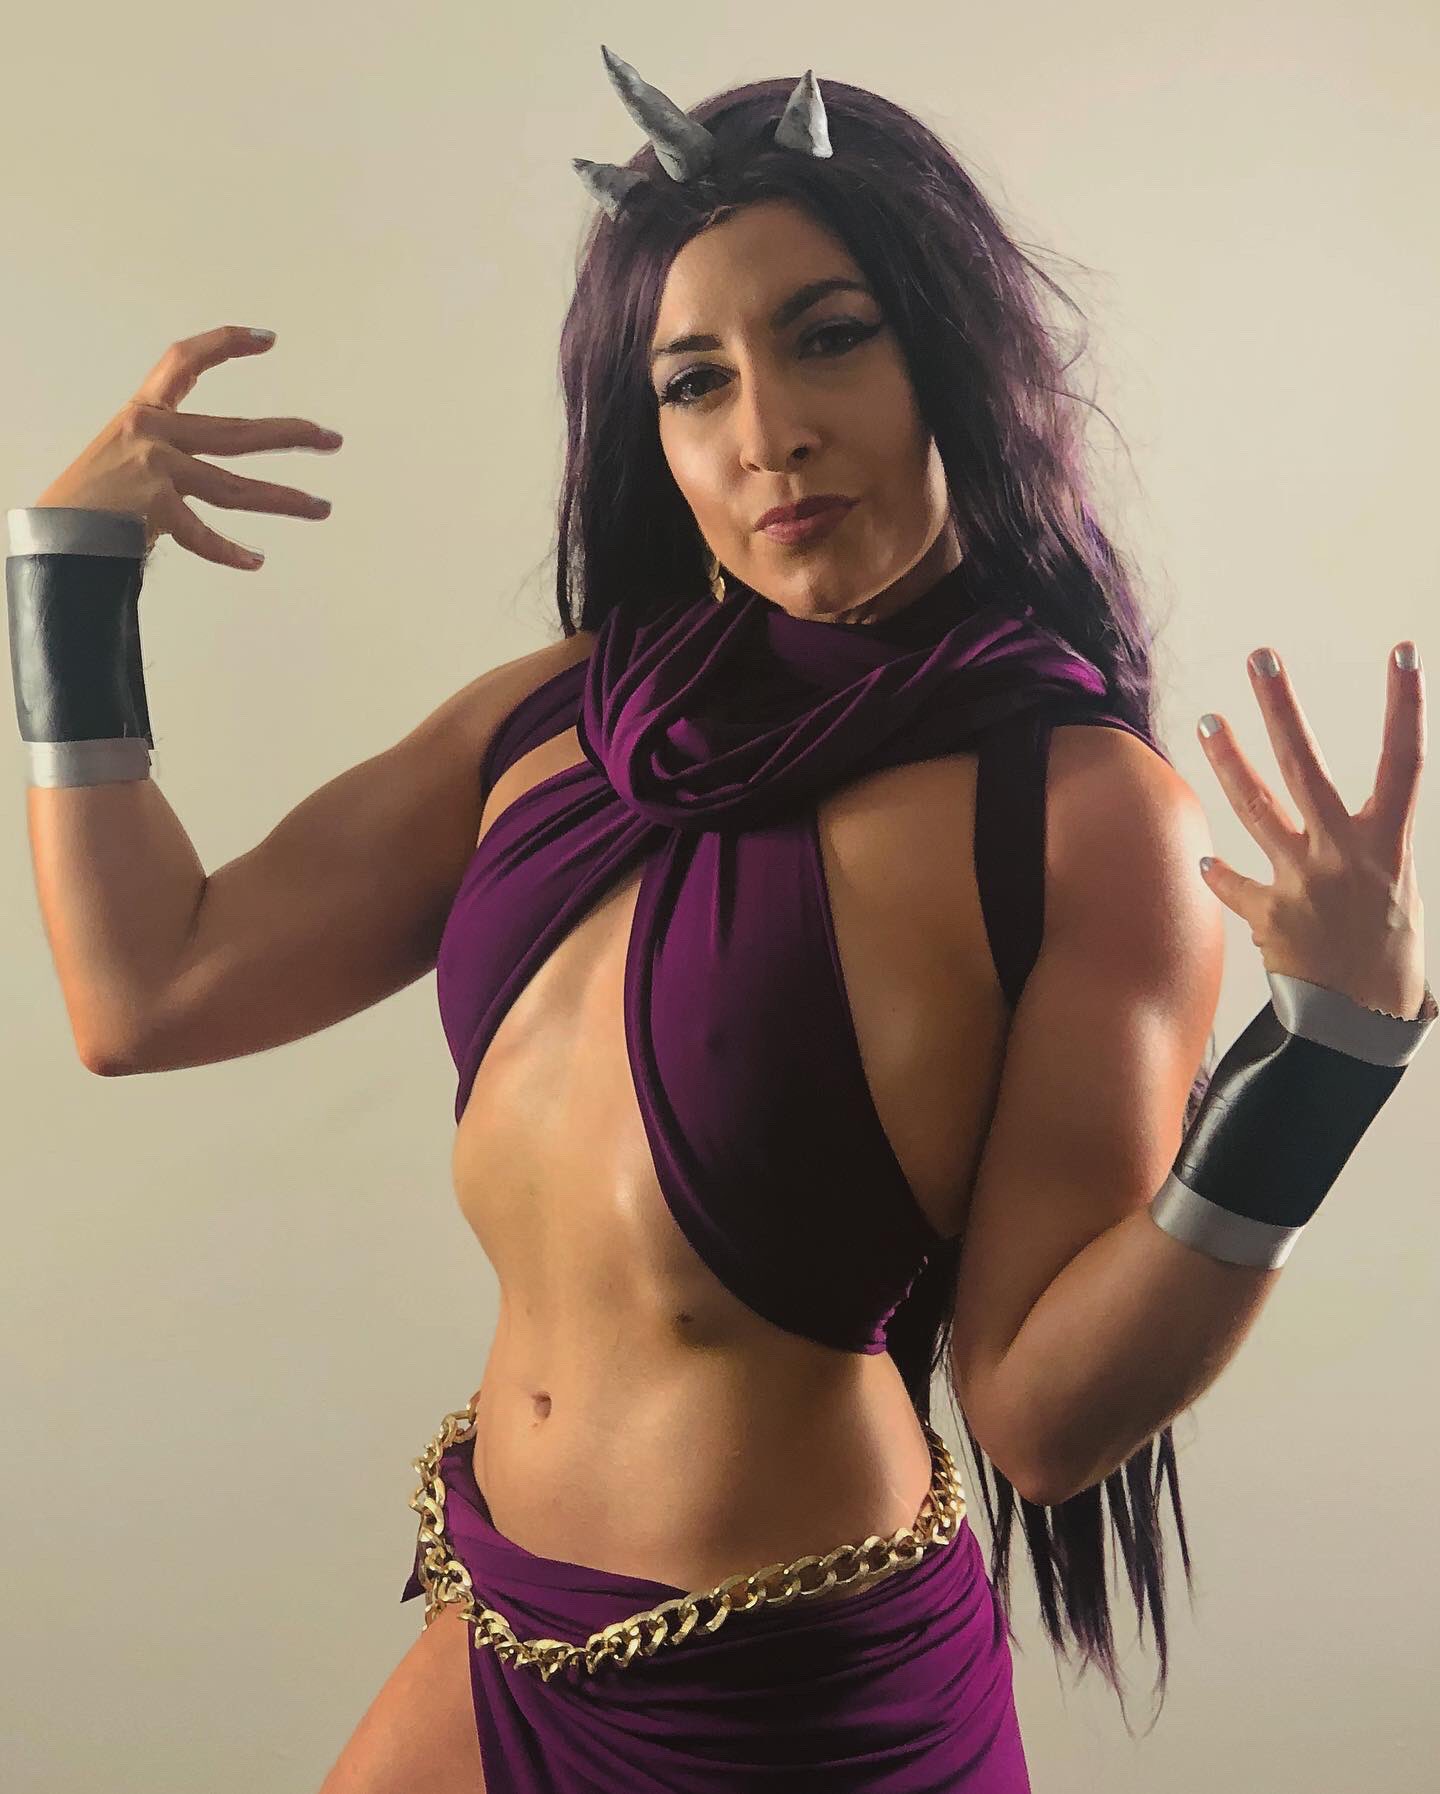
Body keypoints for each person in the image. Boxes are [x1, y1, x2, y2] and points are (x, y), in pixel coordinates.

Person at [10, 46, 1432, 1794]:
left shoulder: (1073, 812)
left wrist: (1326, 1059)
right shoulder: (554, 719)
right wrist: (68, 579)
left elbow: (1041, 1418)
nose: (769, 431)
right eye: (697, 380)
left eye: (830, 338)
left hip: (792, 1706)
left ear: (949, 358)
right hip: (508, 1625)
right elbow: (144, 990)